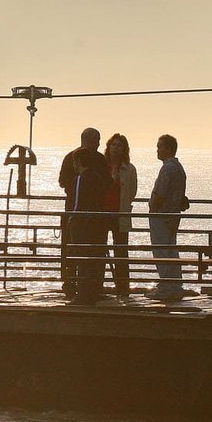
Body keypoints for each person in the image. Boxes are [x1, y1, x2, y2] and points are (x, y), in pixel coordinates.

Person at [58, 127, 112, 303]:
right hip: (94, 214)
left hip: (79, 215)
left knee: (77, 252)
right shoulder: (98, 161)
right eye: (96, 140)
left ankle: (76, 287)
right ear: (88, 140)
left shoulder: (72, 160)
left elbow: (62, 182)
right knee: (93, 253)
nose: (98, 143)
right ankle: (90, 287)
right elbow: (109, 183)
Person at [147, 134, 189, 301]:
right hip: (172, 215)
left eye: (160, 147)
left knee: (161, 250)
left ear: (168, 149)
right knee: (171, 249)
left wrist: (153, 207)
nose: (157, 150)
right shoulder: (178, 167)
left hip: (162, 216)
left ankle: (166, 286)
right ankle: (175, 284)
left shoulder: (167, 168)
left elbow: (161, 193)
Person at [104, 133, 138, 296]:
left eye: (120, 145)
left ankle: (123, 286)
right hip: (103, 213)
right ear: (108, 147)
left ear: (124, 149)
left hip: (121, 213)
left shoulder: (129, 169)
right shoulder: (102, 166)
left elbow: (132, 191)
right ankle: (99, 284)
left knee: (121, 251)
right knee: (100, 250)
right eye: (114, 145)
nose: (116, 148)